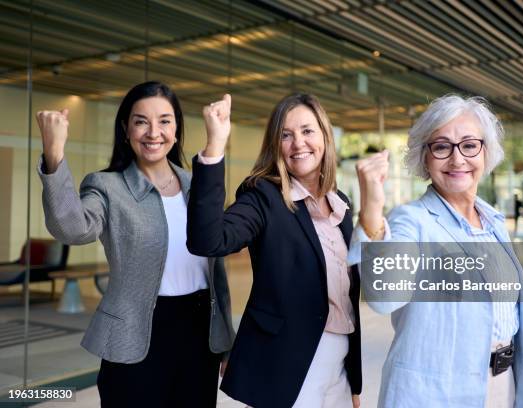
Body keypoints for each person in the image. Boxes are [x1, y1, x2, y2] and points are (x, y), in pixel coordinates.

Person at [36, 81, 235, 407]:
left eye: (165, 121)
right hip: (135, 334)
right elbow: (72, 230)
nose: (153, 132)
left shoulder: (197, 183)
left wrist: (225, 338)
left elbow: (217, 269)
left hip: (200, 332)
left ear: (176, 129)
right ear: (126, 129)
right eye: (141, 121)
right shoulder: (107, 186)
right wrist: (54, 154)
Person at [350, 94, 523, 407]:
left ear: (485, 152)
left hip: (502, 386)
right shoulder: (412, 220)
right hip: (435, 395)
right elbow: (384, 298)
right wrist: (372, 212)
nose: (457, 158)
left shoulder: (493, 222)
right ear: (425, 157)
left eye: (469, 144)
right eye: (441, 146)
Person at [187, 93, 361, 407]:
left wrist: (355, 381)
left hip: (340, 364)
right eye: (286, 134)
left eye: (307, 131)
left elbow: (349, 295)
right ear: (275, 144)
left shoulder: (342, 204)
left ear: (324, 135)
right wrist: (215, 147)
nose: (298, 143)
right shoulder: (262, 195)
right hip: (288, 363)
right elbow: (208, 241)